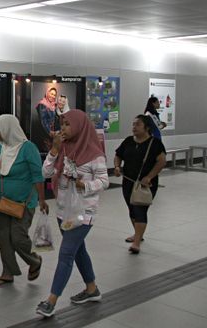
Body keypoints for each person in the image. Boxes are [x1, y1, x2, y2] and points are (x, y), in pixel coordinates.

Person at [36, 109, 109, 318]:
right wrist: (54, 150)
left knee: (66, 253)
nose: (63, 129)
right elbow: (46, 173)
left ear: (79, 126)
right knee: (78, 250)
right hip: (63, 210)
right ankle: (92, 288)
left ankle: (51, 301)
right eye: (62, 124)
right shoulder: (63, 149)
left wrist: (85, 185)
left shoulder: (95, 154)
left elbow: (104, 181)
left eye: (67, 124)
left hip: (84, 213)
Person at [0, 115, 46, 287]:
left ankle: (34, 261)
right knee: (3, 237)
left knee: (17, 238)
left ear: (8, 129)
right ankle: (7, 273)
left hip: (23, 202)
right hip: (2, 202)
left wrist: (41, 199)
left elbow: (37, 175)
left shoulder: (28, 148)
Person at [114, 115, 166, 254]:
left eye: (137, 124)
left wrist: (149, 177)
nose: (134, 127)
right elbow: (118, 155)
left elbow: (161, 161)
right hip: (128, 182)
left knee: (140, 210)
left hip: (146, 184)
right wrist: (117, 167)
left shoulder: (155, 143)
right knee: (132, 210)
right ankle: (138, 235)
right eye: (133, 124)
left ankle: (136, 243)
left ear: (147, 127)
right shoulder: (128, 141)